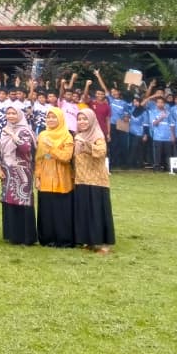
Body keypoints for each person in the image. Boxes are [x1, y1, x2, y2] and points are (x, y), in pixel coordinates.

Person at [72, 106, 115, 253]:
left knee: (98, 211)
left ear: (91, 120)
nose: (82, 122)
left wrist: (86, 146)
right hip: (81, 178)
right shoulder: (78, 135)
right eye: (79, 119)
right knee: (85, 211)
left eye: (85, 119)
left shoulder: (97, 135)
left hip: (97, 180)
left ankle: (104, 243)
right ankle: (88, 241)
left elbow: (101, 152)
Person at [35, 106, 75, 248]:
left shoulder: (67, 136)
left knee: (61, 211)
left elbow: (66, 157)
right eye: (48, 117)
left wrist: (51, 148)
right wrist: (37, 177)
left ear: (60, 119)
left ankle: (63, 240)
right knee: (46, 210)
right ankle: (47, 239)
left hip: (61, 179)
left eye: (54, 117)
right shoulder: (42, 135)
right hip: (45, 177)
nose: (51, 120)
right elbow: (40, 158)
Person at [0, 106, 36, 246]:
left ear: (19, 115)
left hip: (22, 172)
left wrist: (13, 136)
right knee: (10, 202)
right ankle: (13, 236)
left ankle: (26, 237)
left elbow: (26, 148)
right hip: (7, 171)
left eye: (14, 113)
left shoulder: (25, 130)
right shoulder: (5, 130)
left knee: (22, 203)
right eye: (8, 113)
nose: (11, 116)